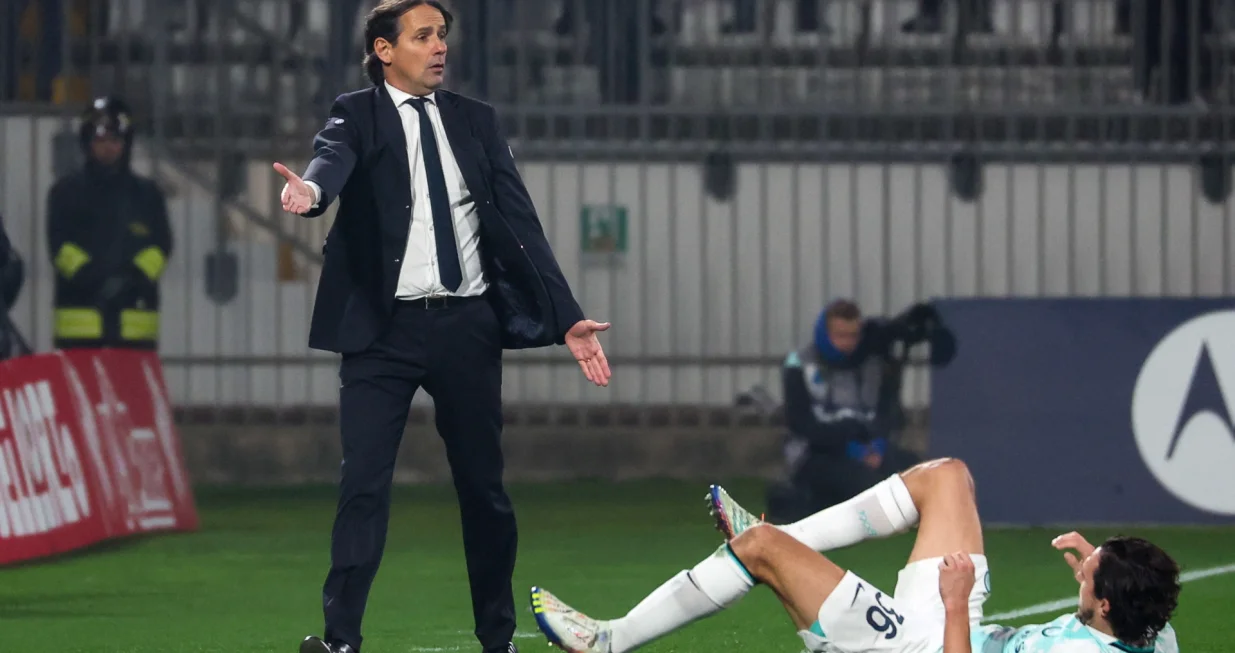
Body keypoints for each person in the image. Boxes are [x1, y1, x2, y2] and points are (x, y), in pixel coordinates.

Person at [271, 3, 612, 653]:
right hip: (381, 335)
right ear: (383, 50)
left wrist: (566, 315)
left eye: (442, 36)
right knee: (362, 484)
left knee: (484, 490)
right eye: (422, 36)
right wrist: (310, 195)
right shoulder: (356, 113)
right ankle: (340, 639)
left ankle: (497, 638)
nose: (438, 48)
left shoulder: (475, 122)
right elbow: (329, 162)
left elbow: (519, 224)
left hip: (466, 328)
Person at [531, 458, 1182, 653]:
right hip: (951, 626)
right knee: (946, 476)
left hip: (926, 645)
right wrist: (1088, 573)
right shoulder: (1151, 628)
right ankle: (786, 536)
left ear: (1102, 605)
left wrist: (954, 605)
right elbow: (1113, 618)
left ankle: (607, 639)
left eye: (1095, 566)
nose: (1089, 555)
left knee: (757, 549)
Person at [767, 299, 955, 522]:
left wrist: (877, 445)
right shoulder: (799, 364)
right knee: (865, 485)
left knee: (918, 473)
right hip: (815, 453)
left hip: (870, 448)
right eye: (840, 336)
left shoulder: (874, 362)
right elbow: (801, 424)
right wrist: (850, 447)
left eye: (853, 335)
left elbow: (889, 413)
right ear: (825, 333)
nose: (848, 343)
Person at [46, 96, 173, 351]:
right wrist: (93, 279)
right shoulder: (65, 193)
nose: (108, 148)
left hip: (135, 329)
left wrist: (132, 279)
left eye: (115, 140)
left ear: (126, 144)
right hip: (79, 329)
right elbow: (59, 246)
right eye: (100, 140)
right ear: (87, 142)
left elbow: (161, 246)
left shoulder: (147, 195)